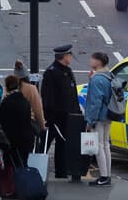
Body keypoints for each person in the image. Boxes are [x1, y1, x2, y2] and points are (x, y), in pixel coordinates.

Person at [40, 43, 82, 181]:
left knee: (62, 145)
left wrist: (76, 113)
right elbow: (48, 97)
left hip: (68, 117)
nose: (71, 57)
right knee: (45, 144)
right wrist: (50, 117)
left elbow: (72, 95)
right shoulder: (51, 73)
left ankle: (61, 172)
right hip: (55, 117)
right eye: (70, 55)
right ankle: (37, 170)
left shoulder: (67, 71)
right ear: (64, 56)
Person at [82, 52, 114, 187]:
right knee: (106, 144)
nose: (90, 61)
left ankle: (103, 176)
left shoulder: (97, 79)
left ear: (98, 62)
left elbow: (95, 103)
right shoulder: (109, 75)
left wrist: (90, 121)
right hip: (108, 115)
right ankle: (108, 175)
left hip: (99, 117)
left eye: (92, 59)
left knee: (99, 146)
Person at [0, 75, 36, 171]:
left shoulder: (5, 103)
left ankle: (13, 179)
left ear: (6, 87)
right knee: (23, 163)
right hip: (26, 139)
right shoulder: (24, 101)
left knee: (10, 165)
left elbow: (1, 122)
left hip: (12, 141)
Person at [12, 60, 46, 134]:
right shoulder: (31, 89)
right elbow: (38, 109)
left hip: (12, 123)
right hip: (28, 123)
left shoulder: (10, 87)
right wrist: (42, 126)